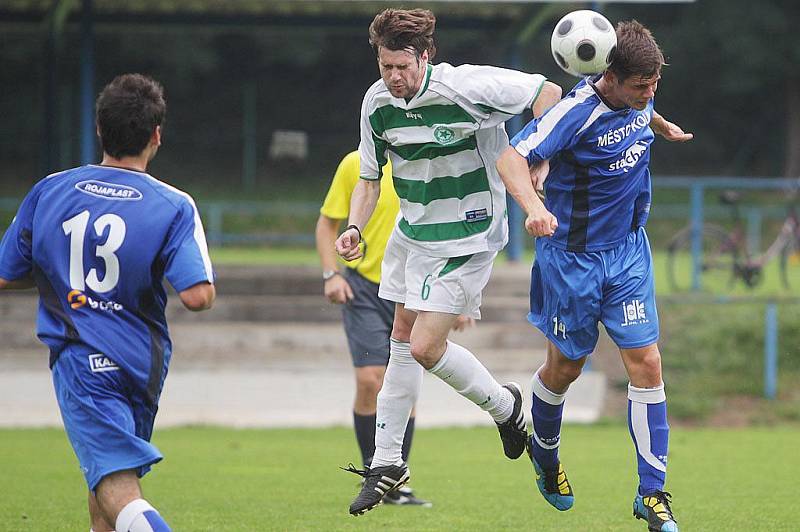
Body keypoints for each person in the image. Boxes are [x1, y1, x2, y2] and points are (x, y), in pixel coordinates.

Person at [334, 8, 562, 516]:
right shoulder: (376, 103)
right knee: (401, 341)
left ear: (426, 56)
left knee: (422, 346)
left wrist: (539, 160)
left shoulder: (469, 87)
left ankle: (504, 407)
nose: (393, 76)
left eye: (402, 67)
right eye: (385, 65)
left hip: (470, 235)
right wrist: (353, 226)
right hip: (412, 233)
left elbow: (547, 93)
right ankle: (387, 462)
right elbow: (370, 177)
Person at [496, 20, 692, 532]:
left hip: (628, 252)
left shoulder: (639, 97)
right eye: (641, 87)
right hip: (572, 259)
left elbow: (640, 112)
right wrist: (533, 206)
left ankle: (653, 494)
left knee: (647, 363)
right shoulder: (574, 113)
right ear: (611, 76)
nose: (650, 93)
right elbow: (510, 158)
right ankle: (545, 451)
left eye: (655, 85)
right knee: (565, 369)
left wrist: (659, 123)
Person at [0, 73, 215, 532]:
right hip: (143, 362)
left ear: (100, 129)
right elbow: (198, 296)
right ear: (156, 136)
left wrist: (63, 277)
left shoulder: (51, 190)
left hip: (84, 359)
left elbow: (6, 273)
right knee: (104, 488)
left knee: (117, 488)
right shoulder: (174, 204)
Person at [317, 150, 473, 507]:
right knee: (371, 378)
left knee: (405, 383)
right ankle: (375, 469)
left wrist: (456, 298)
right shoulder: (354, 165)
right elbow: (327, 224)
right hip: (365, 287)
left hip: (416, 286)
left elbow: (453, 228)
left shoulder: (430, 159)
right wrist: (331, 275)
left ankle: (396, 479)